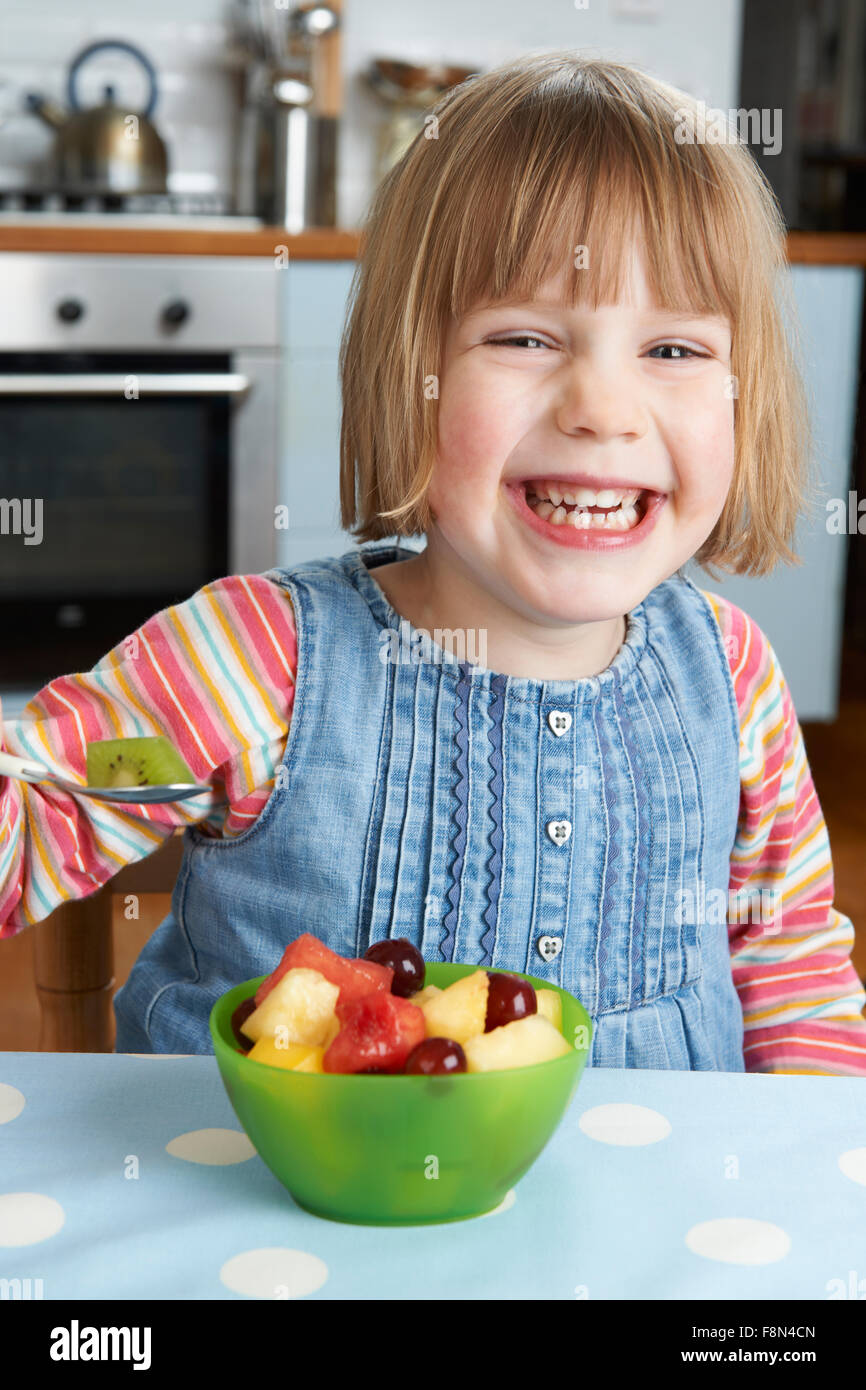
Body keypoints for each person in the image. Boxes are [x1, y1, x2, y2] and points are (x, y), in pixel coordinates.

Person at [2, 53, 864, 1072]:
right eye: (524, 338)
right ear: (406, 373)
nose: (600, 408)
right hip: (267, 1213)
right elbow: (44, 802)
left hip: (642, 1222)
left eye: (671, 350)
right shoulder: (252, 665)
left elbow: (788, 952)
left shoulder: (733, 675)